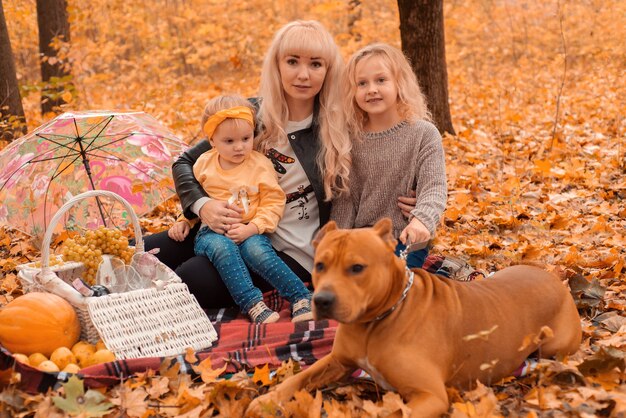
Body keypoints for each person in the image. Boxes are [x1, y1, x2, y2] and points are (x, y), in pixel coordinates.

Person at [143, 22, 417, 309]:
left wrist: (410, 199)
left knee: (193, 277)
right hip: (234, 224)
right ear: (277, 65)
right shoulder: (251, 115)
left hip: (289, 249)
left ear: (328, 70)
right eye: (292, 62)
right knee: (147, 251)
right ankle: (101, 304)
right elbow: (185, 161)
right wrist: (203, 206)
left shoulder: (339, 126)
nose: (303, 74)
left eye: (315, 64)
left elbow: (380, 165)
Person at [175, 94, 313, 323]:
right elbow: (196, 197)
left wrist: (254, 228)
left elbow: (273, 201)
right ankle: (252, 304)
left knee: (257, 252)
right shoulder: (204, 164)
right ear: (212, 140)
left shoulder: (259, 164)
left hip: (249, 227)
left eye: (246, 138)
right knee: (223, 250)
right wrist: (183, 219)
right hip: (212, 232)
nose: (239, 147)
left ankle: (300, 297)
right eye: (229, 141)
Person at [331, 43, 447, 268]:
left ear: (399, 83)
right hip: (362, 239)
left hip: (406, 237)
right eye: (362, 83)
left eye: (381, 80)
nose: (371, 89)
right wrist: (339, 240)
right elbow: (345, 201)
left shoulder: (423, 134)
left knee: (389, 288)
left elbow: (434, 187)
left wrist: (421, 220)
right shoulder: (349, 141)